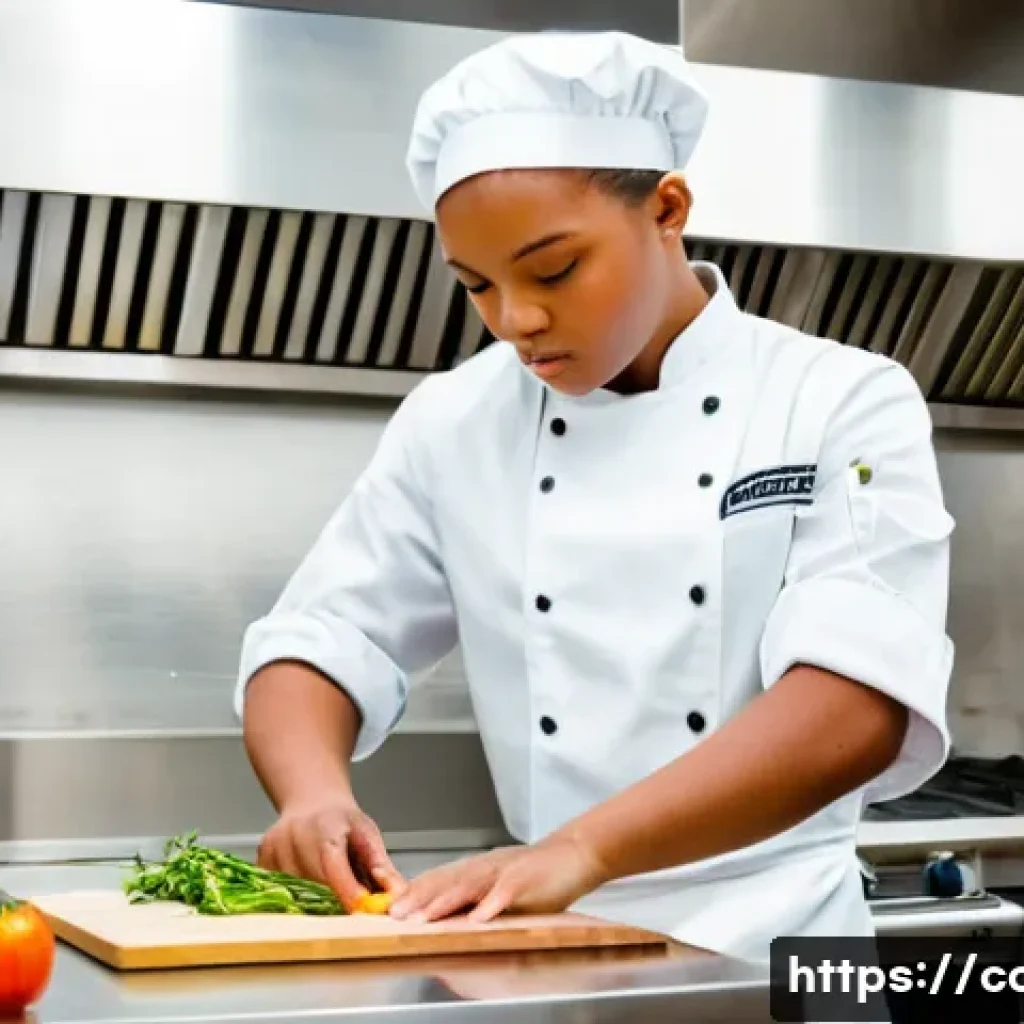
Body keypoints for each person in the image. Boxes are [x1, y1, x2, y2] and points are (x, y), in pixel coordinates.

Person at [234, 30, 954, 964]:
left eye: (554, 270)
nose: (516, 320)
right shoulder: (455, 420)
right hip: (552, 939)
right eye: (476, 285)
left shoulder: (836, 398)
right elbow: (322, 637)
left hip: (791, 944)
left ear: (667, 209)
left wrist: (583, 849)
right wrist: (312, 795)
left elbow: (856, 706)